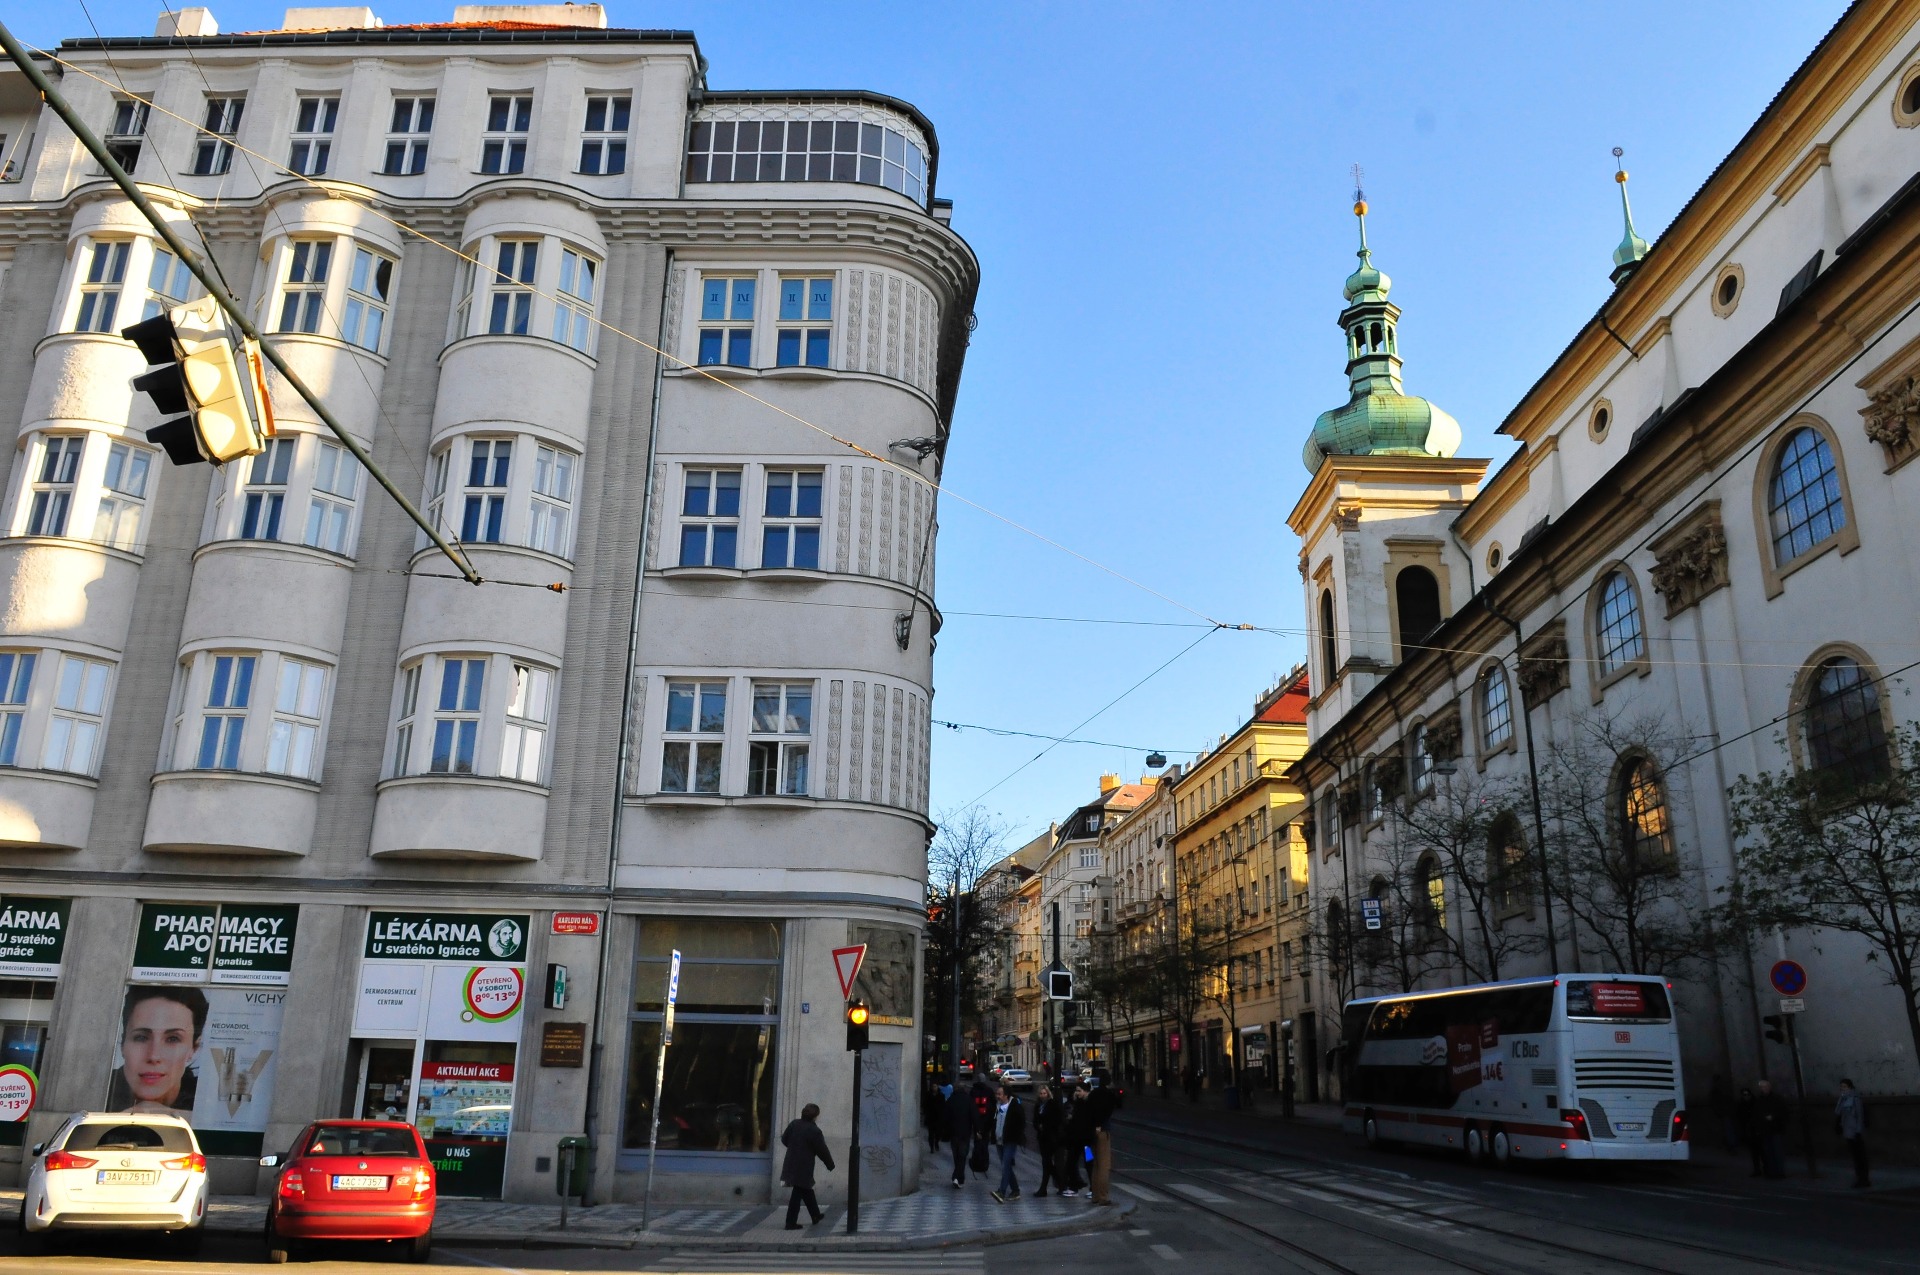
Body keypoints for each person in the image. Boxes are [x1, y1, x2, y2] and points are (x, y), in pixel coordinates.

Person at [114, 986, 208, 1116]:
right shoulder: (97, 1089)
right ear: (122, 1045)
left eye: (173, 1039)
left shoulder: (209, 1100)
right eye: (141, 1037)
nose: (153, 1056)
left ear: (194, 1048)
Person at [779, 1103, 835, 1229]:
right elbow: (822, 1150)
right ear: (815, 1117)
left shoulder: (794, 1124)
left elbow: (784, 1139)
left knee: (805, 1189)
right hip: (804, 1164)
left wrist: (794, 1147)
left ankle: (815, 1215)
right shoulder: (814, 1131)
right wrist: (830, 1164)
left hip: (791, 1161)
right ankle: (790, 1222)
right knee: (799, 1190)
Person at [989, 1083, 1026, 1202]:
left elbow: (1021, 1123)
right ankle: (1015, 1190)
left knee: (1005, 1166)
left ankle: (1001, 1191)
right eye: (996, 1094)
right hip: (999, 1140)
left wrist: (1015, 1136)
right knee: (1007, 1167)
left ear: (1006, 1095)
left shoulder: (1015, 1107)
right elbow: (993, 1121)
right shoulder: (997, 1106)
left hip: (1010, 1141)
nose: (997, 1096)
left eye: (1000, 1094)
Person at [1085, 1070, 1118, 1205]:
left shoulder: (1093, 1094)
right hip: (1103, 1131)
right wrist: (1099, 1124)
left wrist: (1093, 1126)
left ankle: (1095, 1195)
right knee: (1104, 1165)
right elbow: (1108, 1111)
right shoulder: (1109, 1095)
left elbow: (1089, 1111)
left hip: (1092, 1132)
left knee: (1095, 1165)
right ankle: (1103, 1196)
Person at [1835, 1078, 1870, 1188]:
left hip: (1855, 1131)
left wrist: (1858, 1131)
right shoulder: (1843, 1099)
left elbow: (1859, 1116)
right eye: (1841, 1087)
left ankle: (1863, 1179)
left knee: (1860, 1157)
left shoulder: (1855, 1099)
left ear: (1850, 1087)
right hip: (1848, 1132)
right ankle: (1860, 1178)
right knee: (1855, 1157)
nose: (1842, 1089)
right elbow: (1837, 1112)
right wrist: (1841, 1099)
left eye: (1844, 1086)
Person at [1754, 1079, 1789, 1179]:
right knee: (1768, 1151)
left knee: (1777, 1151)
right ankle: (1772, 1171)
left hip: (1776, 1128)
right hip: (1765, 1129)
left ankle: (1779, 1171)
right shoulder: (1759, 1100)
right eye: (1762, 1087)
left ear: (1769, 1087)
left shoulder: (1776, 1099)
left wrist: (1773, 1117)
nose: (1763, 1089)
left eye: (1765, 1087)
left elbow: (1783, 1112)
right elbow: (1756, 1114)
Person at [1058, 1085, 1090, 1197]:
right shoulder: (1076, 1103)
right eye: (1076, 1091)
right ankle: (1073, 1187)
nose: (1076, 1093)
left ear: (1086, 1092)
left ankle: (1092, 1188)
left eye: (1079, 1091)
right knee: (1071, 1162)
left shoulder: (1087, 1104)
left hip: (1086, 1141)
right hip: (1075, 1141)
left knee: (1089, 1163)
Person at [1032, 1083, 1062, 1196]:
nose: (1042, 1095)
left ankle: (1043, 1188)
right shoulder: (1038, 1106)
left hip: (1051, 1137)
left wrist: (1046, 1126)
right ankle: (1060, 1183)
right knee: (1047, 1162)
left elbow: (1057, 1120)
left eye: (1044, 1093)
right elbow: (1035, 1120)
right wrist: (1038, 1126)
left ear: (1048, 1094)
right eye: (1041, 1093)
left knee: (1046, 1162)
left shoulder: (1052, 1104)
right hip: (1042, 1137)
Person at [945, 1079, 974, 1186]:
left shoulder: (951, 1100)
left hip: (953, 1132)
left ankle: (957, 1177)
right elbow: (974, 1115)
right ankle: (958, 1177)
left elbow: (945, 1116)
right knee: (962, 1155)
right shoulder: (969, 1100)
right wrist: (978, 1130)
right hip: (965, 1133)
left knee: (956, 1155)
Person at [1736, 1087, 1763, 1176]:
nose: (1746, 1097)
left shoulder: (1755, 1103)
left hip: (1757, 1130)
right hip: (1749, 1131)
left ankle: (1763, 1169)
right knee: (1754, 1152)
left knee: (1761, 1152)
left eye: (1747, 1095)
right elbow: (1740, 1119)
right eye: (1744, 1095)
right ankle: (1757, 1169)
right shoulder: (1741, 1105)